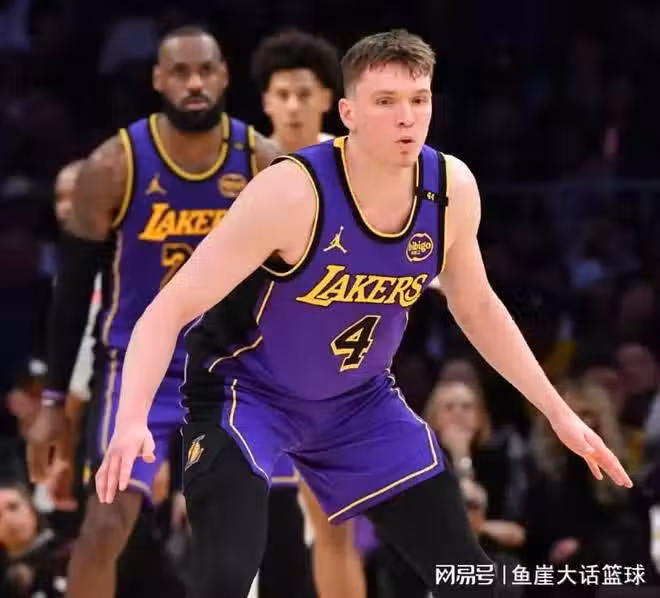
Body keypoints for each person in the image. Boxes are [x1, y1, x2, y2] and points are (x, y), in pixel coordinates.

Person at [96, 29, 632, 598]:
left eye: (419, 99)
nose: (407, 117)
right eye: (386, 101)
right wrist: (130, 420)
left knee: (467, 577)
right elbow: (168, 309)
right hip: (247, 394)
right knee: (226, 577)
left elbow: (477, 306)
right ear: (348, 113)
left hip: (358, 402)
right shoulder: (291, 192)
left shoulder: (450, 188)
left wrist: (558, 413)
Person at [26, 25, 278, 598]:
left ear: (224, 76)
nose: (194, 83)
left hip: (229, 368)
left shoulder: (262, 162)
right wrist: (54, 401)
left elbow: (298, 277)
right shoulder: (113, 166)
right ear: (158, 79)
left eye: (205, 70)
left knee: (231, 530)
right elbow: (73, 291)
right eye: (180, 72)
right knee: (105, 523)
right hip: (138, 367)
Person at [251, 29, 365, 598]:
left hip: (334, 365)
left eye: (304, 93)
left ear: (328, 99)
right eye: (283, 94)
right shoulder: (240, 164)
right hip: (250, 363)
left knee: (332, 522)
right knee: (230, 519)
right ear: (266, 102)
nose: (294, 106)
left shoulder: (356, 165)